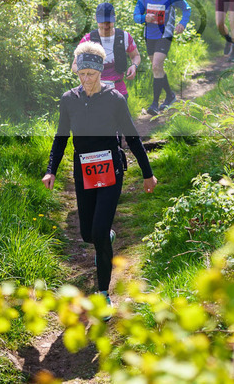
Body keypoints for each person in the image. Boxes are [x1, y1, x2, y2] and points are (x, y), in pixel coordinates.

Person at [44, 42, 158, 309]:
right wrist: (51, 170)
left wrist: (147, 173)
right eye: (82, 74)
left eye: (91, 75)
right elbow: (61, 138)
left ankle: (103, 294)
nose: (86, 80)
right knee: (87, 233)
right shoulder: (68, 100)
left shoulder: (114, 100)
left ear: (101, 73)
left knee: (97, 229)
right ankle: (105, 237)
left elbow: (131, 136)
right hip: (84, 170)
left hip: (110, 170)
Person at [133, 0, 190, 115]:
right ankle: (170, 95)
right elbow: (136, 15)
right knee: (156, 68)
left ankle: (154, 104)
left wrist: (182, 23)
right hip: (149, 34)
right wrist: (144, 18)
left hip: (165, 34)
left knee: (157, 65)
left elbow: (186, 8)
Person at [72, 2, 141, 99]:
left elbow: (136, 56)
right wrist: (86, 73)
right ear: (96, 19)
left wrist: (134, 66)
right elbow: (74, 65)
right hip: (94, 90)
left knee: (121, 114)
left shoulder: (124, 37)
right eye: (102, 22)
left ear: (114, 18)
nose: (106, 26)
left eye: (109, 22)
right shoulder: (88, 40)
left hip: (118, 89)